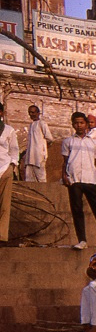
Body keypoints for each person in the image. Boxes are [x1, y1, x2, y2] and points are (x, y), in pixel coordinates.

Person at [62, 112, 96, 250]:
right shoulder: (68, 141)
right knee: (77, 210)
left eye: (81, 123)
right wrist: (64, 176)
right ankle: (82, 240)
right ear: (72, 124)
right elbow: (65, 161)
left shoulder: (93, 143)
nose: (79, 125)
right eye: (76, 123)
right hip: (74, 179)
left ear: (86, 124)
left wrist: (93, 174)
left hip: (90, 180)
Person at [0, 102, 18, 244]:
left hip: (4, 168)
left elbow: (14, 150)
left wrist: (12, 166)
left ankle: (1, 236)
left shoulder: (8, 130)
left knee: (4, 205)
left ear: (1, 113)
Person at [23, 105, 53, 183]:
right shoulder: (31, 125)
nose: (31, 114)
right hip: (30, 156)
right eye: (29, 112)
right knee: (29, 178)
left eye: (33, 112)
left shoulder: (42, 123)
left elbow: (49, 138)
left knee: (41, 178)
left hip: (39, 156)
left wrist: (42, 148)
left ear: (38, 113)